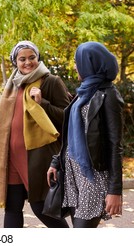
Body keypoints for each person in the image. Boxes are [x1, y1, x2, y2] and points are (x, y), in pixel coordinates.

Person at [0, 40, 71, 228]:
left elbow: (68, 117)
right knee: (12, 208)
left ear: (38, 58)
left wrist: (43, 103)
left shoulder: (51, 81)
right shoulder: (12, 85)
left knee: (41, 207)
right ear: (15, 62)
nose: (28, 62)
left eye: (32, 57)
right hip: (11, 159)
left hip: (37, 158)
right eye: (22, 59)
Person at [47, 41, 124, 228]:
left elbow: (115, 145)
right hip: (72, 175)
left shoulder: (109, 95)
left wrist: (115, 190)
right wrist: (56, 162)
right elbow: (71, 135)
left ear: (90, 63)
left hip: (93, 176)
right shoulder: (83, 94)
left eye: (77, 61)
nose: (75, 66)